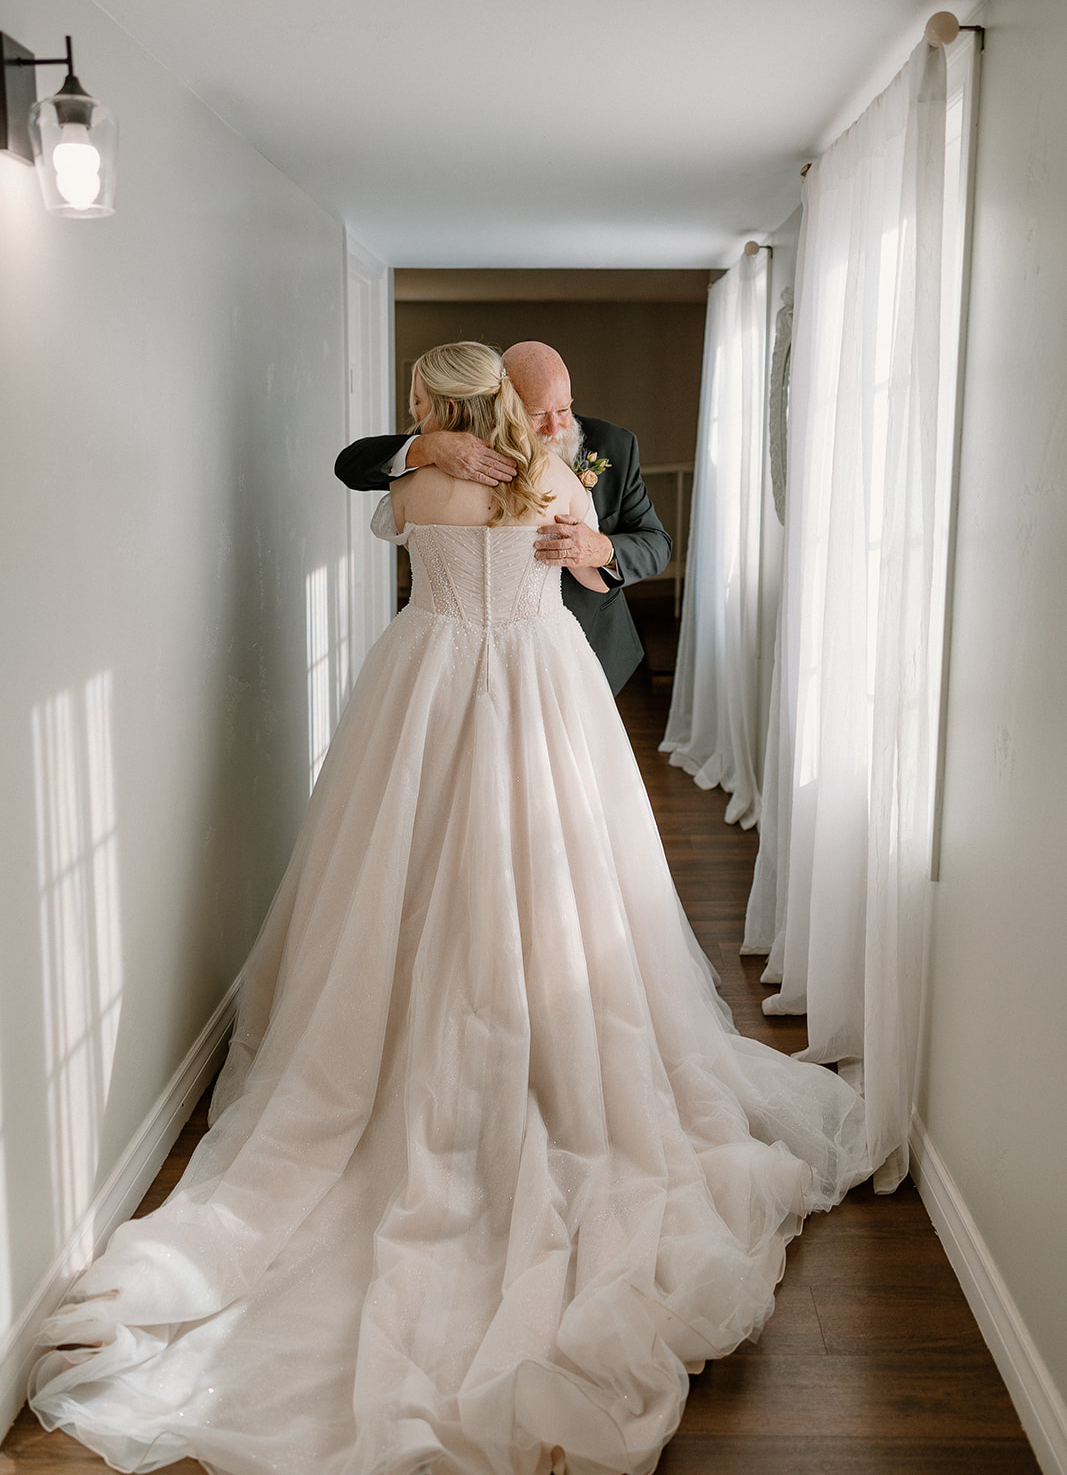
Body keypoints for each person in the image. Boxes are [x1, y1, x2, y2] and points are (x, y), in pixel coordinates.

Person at [30, 343, 866, 1475]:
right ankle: (537, 1059)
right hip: (538, 688)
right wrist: (552, 522)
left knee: (403, 879)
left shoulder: (418, 482)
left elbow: (427, 511)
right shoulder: (552, 482)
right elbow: (556, 555)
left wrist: (457, 472)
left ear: (432, 404)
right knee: (554, 880)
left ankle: (411, 1062)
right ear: (511, 402)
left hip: (423, 685)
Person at [334, 340, 671, 694]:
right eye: (538, 414)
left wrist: (602, 550)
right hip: (458, 659)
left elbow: (656, 542)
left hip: (582, 645)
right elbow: (351, 466)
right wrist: (428, 447)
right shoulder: (458, 447)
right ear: (501, 400)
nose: (556, 427)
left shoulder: (614, 444)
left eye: (565, 409)